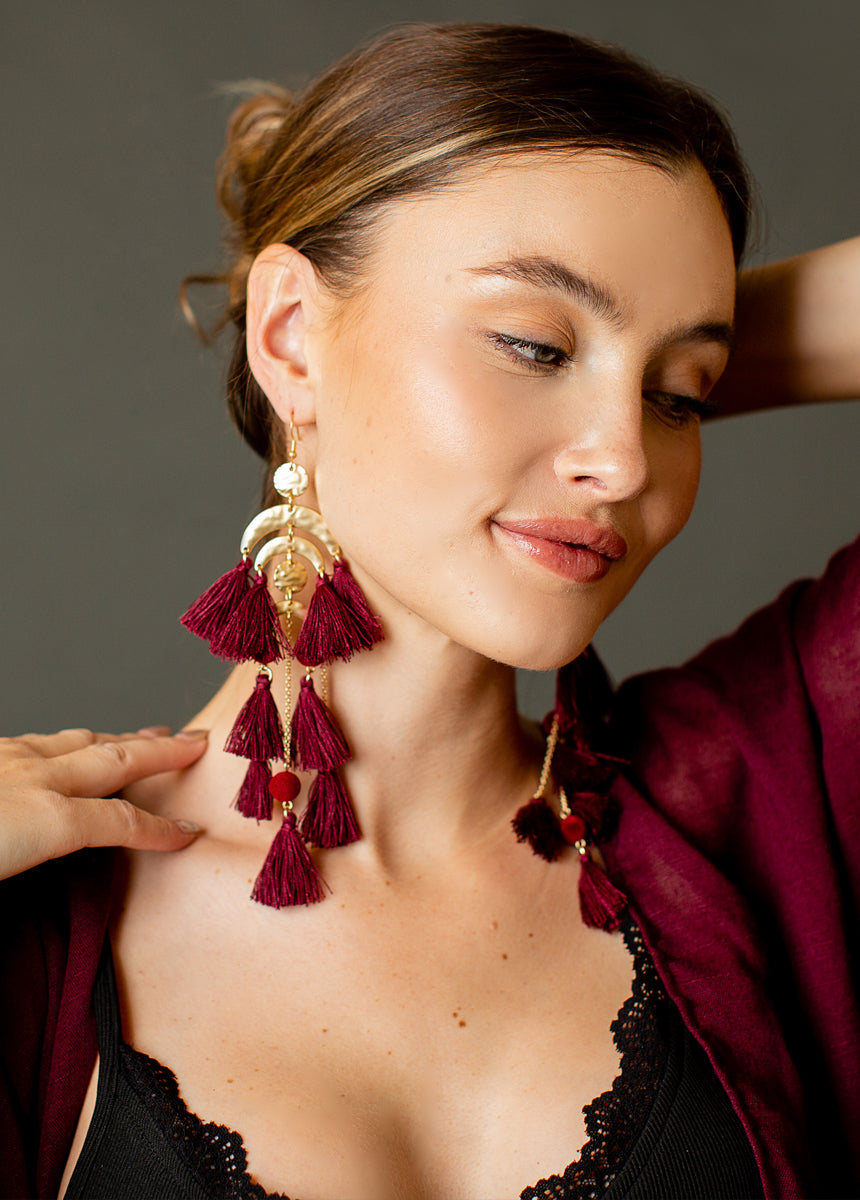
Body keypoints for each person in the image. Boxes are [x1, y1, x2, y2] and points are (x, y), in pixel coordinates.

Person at [1, 22, 857, 1200]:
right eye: (530, 345)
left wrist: (643, 333)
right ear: (289, 335)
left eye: (678, 397)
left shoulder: (764, 794)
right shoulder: (33, 919)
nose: (621, 460)